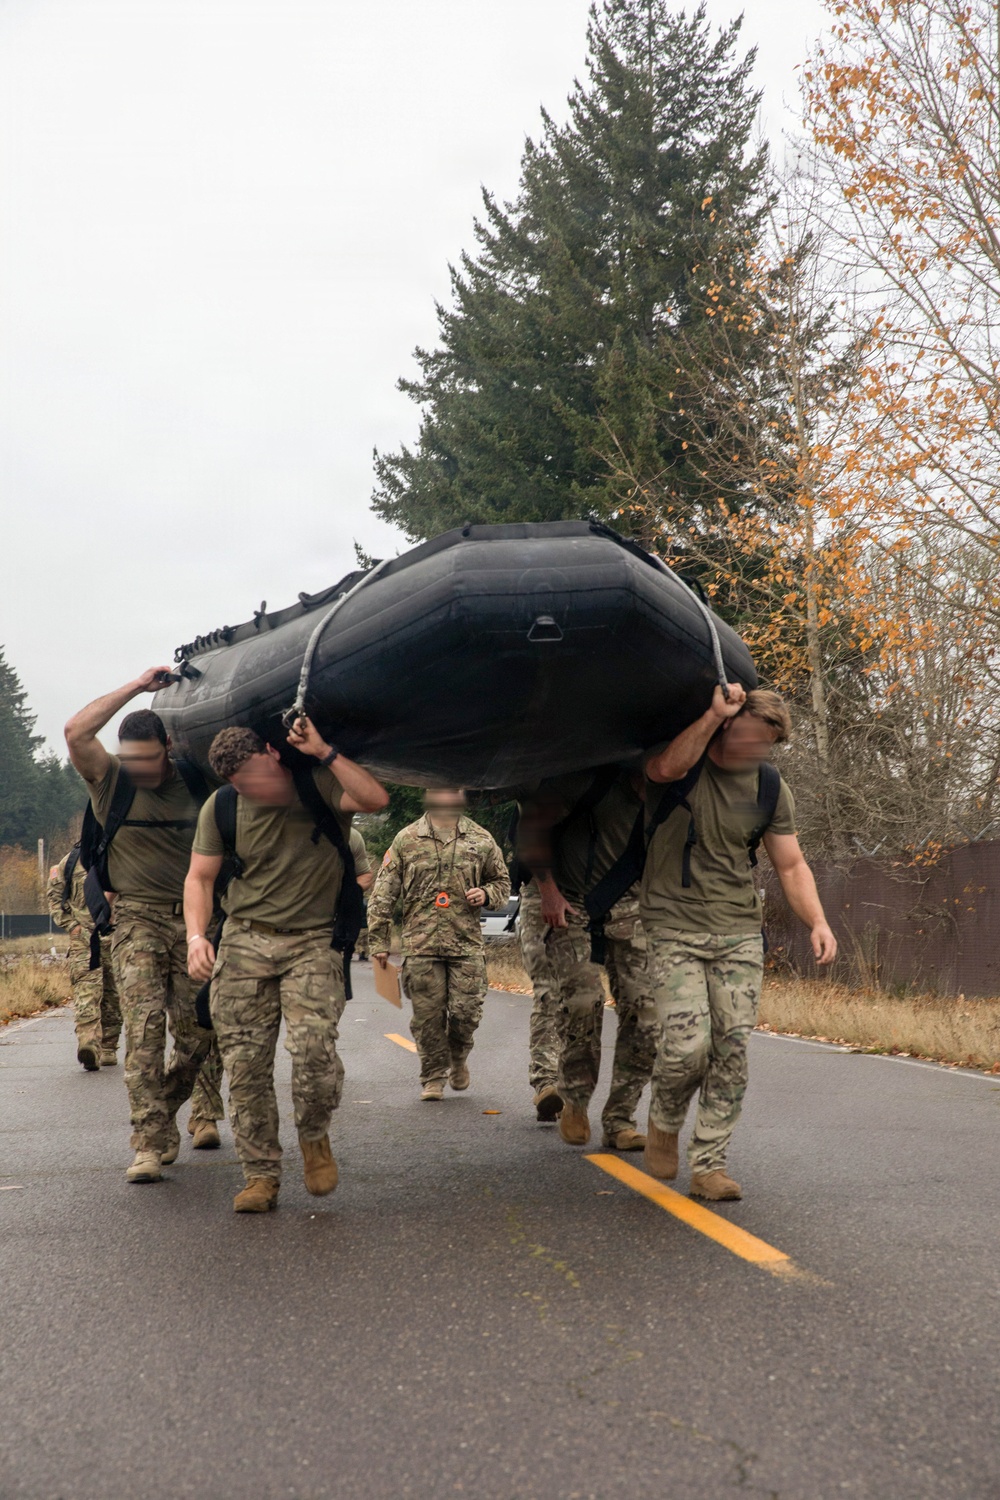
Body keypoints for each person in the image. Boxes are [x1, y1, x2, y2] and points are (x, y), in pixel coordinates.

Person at [184, 718, 388, 1214]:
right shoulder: (223, 807)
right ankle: (260, 1176)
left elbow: (375, 800)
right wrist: (195, 937)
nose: (255, 789)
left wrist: (324, 750)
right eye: (243, 784)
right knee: (245, 1067)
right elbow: (200, 878)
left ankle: (314, 1136)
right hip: (244, 942)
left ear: (273, 754)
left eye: (259, 775)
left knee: (314, 1051)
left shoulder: (318, 785)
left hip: (313, 942)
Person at [641, 684, 837, 1201]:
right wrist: (712, 714)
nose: (756, 749)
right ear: (729, 724)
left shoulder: (769, 788)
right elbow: (663, 769)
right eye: (750, 735)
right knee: (687, 1047)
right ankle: (664, 1118)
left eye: (766, 743)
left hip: (738, 932)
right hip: (673, 925)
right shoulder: (686, 764)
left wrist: (818, 921)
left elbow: (790, 864)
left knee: (731, 1049)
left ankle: (709, 1165)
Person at [64, 670, 224, 1183]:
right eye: (132, 759)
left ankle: (173, 1108)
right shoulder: (110, 779)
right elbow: (75, 732)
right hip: (136, 919)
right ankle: (149, 1143)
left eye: (149, 759)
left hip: (196, 922)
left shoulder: (196, 782)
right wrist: (136, 686)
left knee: (200, 1033)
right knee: (145, 1031)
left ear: (168, 748)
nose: (141, 769)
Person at [516, 768, 659, 1149]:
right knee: (583, 1001)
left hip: (632, 906)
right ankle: (575, 1101)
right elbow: (531, 828)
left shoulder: (682, 795)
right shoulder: (588, 780)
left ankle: (620, 1120)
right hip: (570, 902)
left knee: (647, 1012)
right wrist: (548, 891)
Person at [367, 790, 510, 1100]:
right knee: (427, 1017)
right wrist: (378, 940)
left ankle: (458, 1057)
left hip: (465, 944)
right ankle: (432, 1076)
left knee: (466, 1013)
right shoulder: (406, 839)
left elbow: (501, 882)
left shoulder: (481, 839)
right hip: (421, 944)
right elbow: (383, 893)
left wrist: (487, 894)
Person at [46, 845, 121, 1071]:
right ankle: (89, 1044)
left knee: (114, 995)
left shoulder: (121, 854)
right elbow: (54, 895)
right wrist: (71, 925)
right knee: (87, 992)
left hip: (117, 937)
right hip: (84, 940)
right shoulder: (70, 862)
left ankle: (108, 1046)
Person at [349, 827, 374, 961]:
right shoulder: (365, 904)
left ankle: (360, 953)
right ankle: (363, 954)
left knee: (361, 942)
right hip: (364, 926)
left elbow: (365, 873)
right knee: (364, 942)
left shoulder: (353, 837)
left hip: (362, 926)